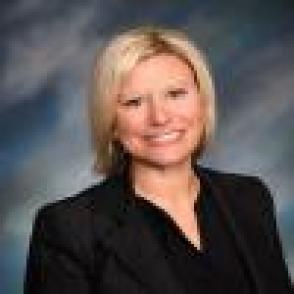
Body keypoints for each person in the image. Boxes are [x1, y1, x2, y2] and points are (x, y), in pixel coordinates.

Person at [24, 26, 293, 294]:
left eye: (175, 94)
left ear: (202, 102)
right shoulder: (68, 229)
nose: (160, 117)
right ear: (111, 122)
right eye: (134, 102)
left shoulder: (249, 198)